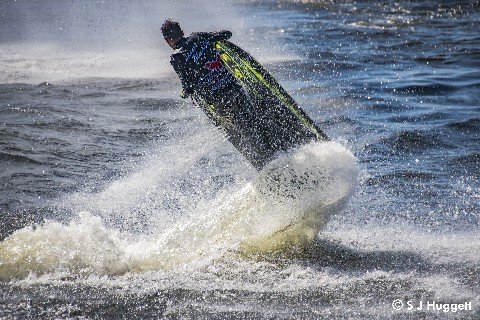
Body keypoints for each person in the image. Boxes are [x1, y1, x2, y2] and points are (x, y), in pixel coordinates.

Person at [161, 20, 320, 170]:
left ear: (167, 40)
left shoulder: (176, 57)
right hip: (235, 89)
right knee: (255, 119)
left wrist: (185, 91)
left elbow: (188, 84)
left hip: (219, 102)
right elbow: (226, 34)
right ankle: (290, 147)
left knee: (247, 132)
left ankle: (272, 161)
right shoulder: (199, 36)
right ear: (182, 31)